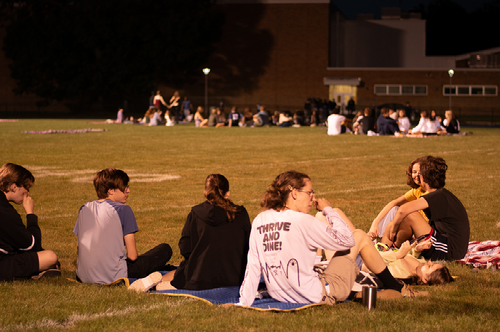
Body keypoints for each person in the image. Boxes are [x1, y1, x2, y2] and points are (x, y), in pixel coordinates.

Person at [236, 171, 425, 307]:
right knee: (359, 235)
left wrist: (243, 303)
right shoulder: (303, 220)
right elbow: (347, 241)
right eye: (309, 192)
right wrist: (328, 210)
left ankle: (365, 289)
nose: (313, 197)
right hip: (316, 295)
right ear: (294, 193)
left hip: (280, 293)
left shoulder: (261, 219)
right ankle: (398, 288)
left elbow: (253, 265)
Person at [74, 168, 173, 288]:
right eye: (124, 188)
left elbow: (80, 246)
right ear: (110, 191)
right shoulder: (123, 209)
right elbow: (132, 255)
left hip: (83, 275)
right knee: (164, 249)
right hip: (115, 276)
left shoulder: (84, 208)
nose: (128, 190)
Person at [158, 174, 251, 290]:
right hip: (235, 278)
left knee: (176, 274)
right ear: (228, 193)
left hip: (199, 278)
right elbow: (249, 246)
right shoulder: (240, 213)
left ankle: (156, 280)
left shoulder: (195, 214)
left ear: (206, 192)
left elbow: (185, 248)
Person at [381, 156, 470, 261]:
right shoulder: (441, 194)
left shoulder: (438, 196)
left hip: (449, 250)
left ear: (423, 177)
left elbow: (402, 210)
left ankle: (393, 251)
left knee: (410, 215)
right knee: (394, 223)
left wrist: (394, 229)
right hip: (443, 242)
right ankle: (383, 250)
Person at [0, 163, 60, 281]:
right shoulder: (5, 211)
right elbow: (32, 245)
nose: (27, 193)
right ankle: (34, 273)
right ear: (13, 187)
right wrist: (30, 213)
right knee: (50, 257)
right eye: (26, 188)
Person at [368, 156, 429, 244]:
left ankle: (391, 246)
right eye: (414, 172)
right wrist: (375, 223)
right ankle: (375, 235)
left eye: (420, 172)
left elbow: (403, 211)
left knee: (405, 216)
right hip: (415, 229)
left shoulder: (431, 193)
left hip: (424, 232)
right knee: (394, 210)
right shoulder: (417, 191)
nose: (416, 175)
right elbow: (393, 203)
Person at [362, 239, 453, 286]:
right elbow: (410, 257)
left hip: (361, 259)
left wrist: (398, 254)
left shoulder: (402, 275)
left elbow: (373, 262)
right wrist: (417, 250)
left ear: (425, 280)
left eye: (430, 267)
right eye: (432, 263)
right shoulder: (420, 264)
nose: (429, 262)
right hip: (368, 249)